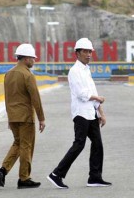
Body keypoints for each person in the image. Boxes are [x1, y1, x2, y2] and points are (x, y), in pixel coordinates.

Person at [47, 38, 112, 189]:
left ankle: (95, 177)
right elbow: (81, 94)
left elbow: (92, 91)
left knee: (98, 144)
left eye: (90, 51)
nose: (88, 54)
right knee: (79, 144)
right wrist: (98, 98)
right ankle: (56, 174)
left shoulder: (86, 69)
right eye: (85, 51)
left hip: (91, 113)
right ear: (77, 53)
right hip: (81, 114)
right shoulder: (74, 71)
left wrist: (101, 112)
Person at [0, 43, 45, 189]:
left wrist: (10, 116)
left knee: (18, 143)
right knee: (26, 147)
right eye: (33, 58)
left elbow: (7, 97)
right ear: (26, 59)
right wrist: (41, 118)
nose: (34, 61)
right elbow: (36, 98)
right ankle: (24, 178)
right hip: (25, 117)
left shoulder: (8, 74)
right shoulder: (27, 75)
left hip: (12, 116)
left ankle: (3, 169)